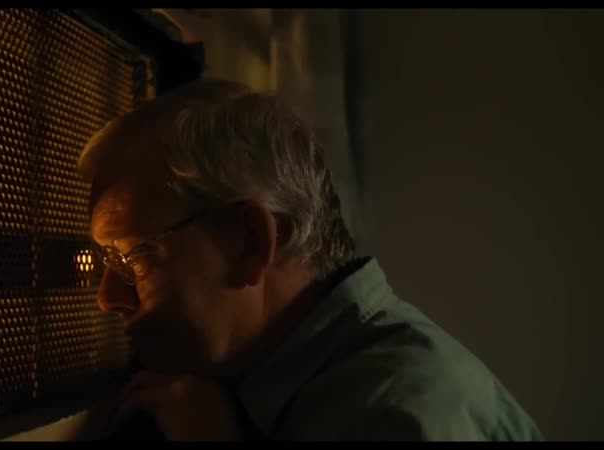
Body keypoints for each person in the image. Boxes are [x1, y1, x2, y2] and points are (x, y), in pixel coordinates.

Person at [75, 78, 543, 441]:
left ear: (251, 242)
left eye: (132, 257)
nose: (107, 297)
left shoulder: (392, 417)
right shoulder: (291, 377)